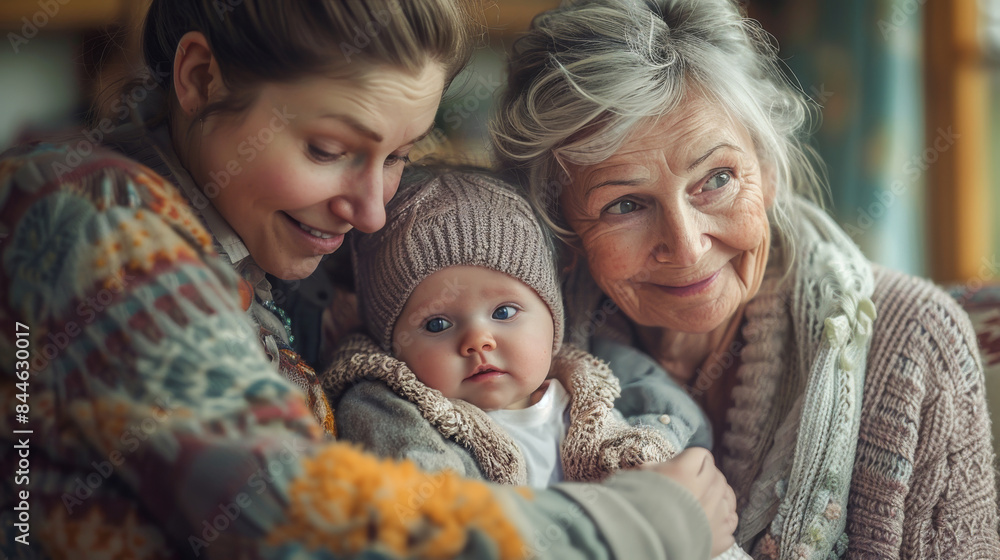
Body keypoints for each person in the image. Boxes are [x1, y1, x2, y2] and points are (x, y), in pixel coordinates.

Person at [1, 1, 737, 558]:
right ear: (198, 78)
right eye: (329, 149)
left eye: (399, 157)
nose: (373, 210)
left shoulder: (266, 256)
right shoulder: (88, 222)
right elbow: (295, 521)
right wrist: (647, 523)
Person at [491, 0, 1000, 558]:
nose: (688, 246)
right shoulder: (497, 360)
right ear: (563, 229)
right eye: (626, 204)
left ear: (769, 172)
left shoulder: (917, 340)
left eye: (717, 179)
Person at [325, 167, 704, 485]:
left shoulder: (590, 378)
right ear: (392, 347)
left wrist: (653, 461)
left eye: (504, 312)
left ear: (553, 315)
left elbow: (682, 422)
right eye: (437, 324)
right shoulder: (395, 413)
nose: (478, 341)